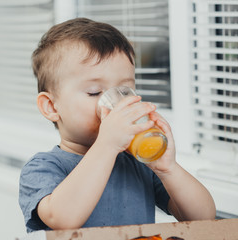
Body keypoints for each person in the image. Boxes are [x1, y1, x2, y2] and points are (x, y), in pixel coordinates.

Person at [19, 18, 216, 233]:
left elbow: (203, 219)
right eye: (94, 92)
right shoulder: (42, 168)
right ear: (51, 107)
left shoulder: (138, 164)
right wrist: (106, 146)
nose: (115, 104)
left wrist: (168, 169)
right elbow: (63, 218)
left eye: (124, 91)